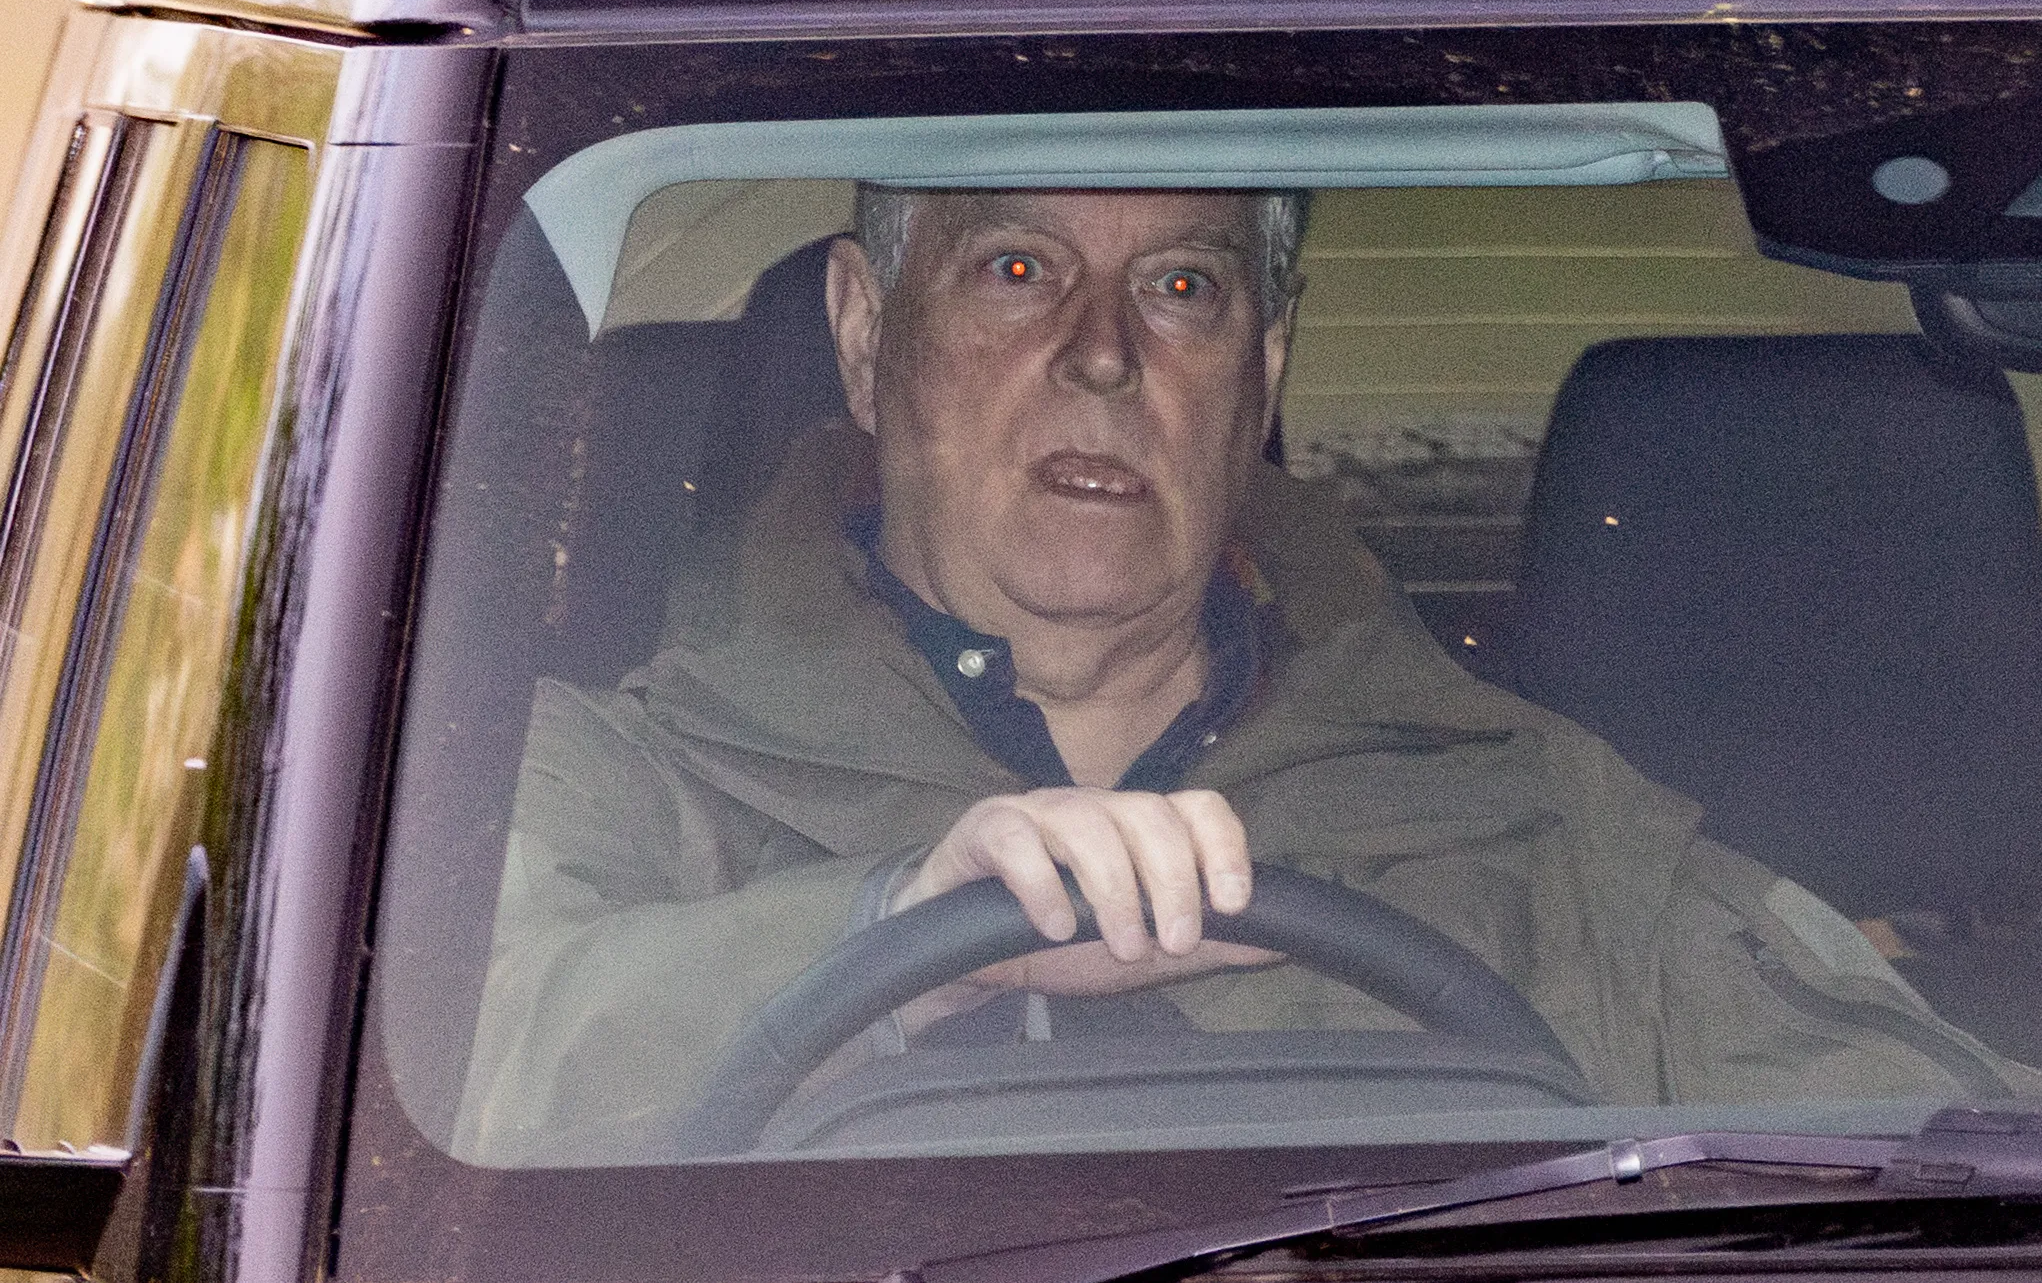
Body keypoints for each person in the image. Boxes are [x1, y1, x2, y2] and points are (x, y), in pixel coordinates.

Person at [453, 184, 2029, 1165]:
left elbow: (1939, 1172)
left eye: (1183, 286)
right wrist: (909, 932)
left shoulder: (1540, 828)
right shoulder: (600, 777)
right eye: (1012, 269)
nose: (1098, 353)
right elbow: (411, 1100)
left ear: (1262, 368)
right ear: (866, 336)